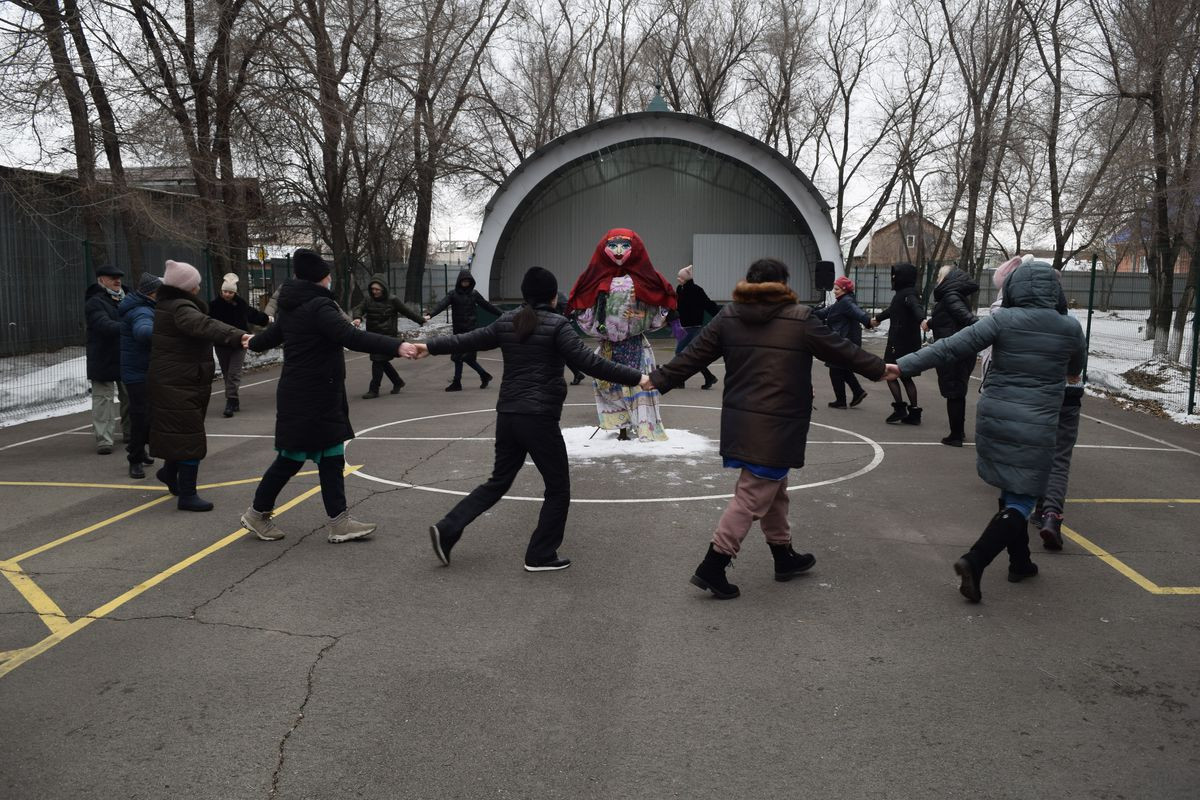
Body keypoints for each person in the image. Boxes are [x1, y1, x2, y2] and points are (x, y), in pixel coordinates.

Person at [647, 258, 886, 599]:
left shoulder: (729, 317)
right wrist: (882, 369)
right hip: (778, 423)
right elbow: (843, 350)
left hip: (743, 421)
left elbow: (694, 355)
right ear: (784, 284)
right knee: (752, 495)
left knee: (774, 489)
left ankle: (783, 555)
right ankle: (713, 566)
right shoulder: (800, 319)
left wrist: (657, 379)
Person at [404, 267, 646, 572]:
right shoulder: (558, 325)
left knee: (498, 481)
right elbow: (591, 363)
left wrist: (430, 346)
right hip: (538, 418)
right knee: (558, 488)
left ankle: (448, 528)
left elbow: (468, 339)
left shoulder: (508, 321)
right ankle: (541, 554)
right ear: (552, 297)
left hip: (509, 415)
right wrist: (638, 377)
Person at [889, 259, 1086, 603]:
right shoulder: (1069, 328)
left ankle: (1020, 563)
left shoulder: (1001, 320)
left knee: (1012, 486)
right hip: (1039, 419)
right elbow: (1075, 368)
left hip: (995, 415)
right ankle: (976, 560)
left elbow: (950, 346)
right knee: (1023, 499)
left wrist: (901, 365)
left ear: (1012, 288)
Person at [242, 250, 409, 543]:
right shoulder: (319, 307)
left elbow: (267, 339)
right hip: (310, 396)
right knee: (291, 459)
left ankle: (339, 522)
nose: (331, 279)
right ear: (320, 278)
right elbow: (352, 337)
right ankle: (257, 514)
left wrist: (252, 341)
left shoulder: (294, 306)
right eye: (327, 275)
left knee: (331, 457)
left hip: (312, 393)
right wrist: (398, 346)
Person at [149, 260, 250, 511]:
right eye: (195, 284)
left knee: (182, 433)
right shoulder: (181, 308)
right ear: (186, 287)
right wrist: (238, 335)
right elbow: (205, 325)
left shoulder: (169, 305)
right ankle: (188, 495)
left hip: (178, 378)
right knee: (191, 436)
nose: (198, 288)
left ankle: (169, 473)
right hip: (179, 381)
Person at [567, 228, 677, 441]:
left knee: (638, 386)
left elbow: (657, 305)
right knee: (610, 388)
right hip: (609, 346)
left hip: (634, 344)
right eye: (613, 246)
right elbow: (585, 307)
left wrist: (657, 313)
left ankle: (641, 426)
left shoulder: (644, 280)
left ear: (634, 249)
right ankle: (621, 428)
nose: (618, 251)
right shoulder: (596, 279)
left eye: (625, 246)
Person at [922, 265, 979, 445]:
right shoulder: (952, 296)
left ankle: (955, 435)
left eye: (939, 276)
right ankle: (958, 432)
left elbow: (967, 319)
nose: (937, 279)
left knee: (954, 392)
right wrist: (931, 323)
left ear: (948, 279)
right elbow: (949, 317)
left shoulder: (950, 296)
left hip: (954, 351)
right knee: (956, 391)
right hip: (957, 350)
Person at [118, 272, 163, 479]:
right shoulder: (141, 311)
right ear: (152, 292)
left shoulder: (145, 306)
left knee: (149, 415)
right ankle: (134, 459)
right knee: (140, 416)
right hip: (137, 373)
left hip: (144, 370)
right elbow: (143, 331)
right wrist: (162, 336)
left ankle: (140, 451)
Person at [424, 269, 500, 391]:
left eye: (468, 281)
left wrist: (501, 314)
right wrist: (430, 315)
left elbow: (487, 306)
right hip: (458, 331)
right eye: (463, 281)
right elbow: (442, 305)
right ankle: (478, 377)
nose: (465, 283)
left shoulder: (474, 294)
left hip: (471, 331)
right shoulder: (453, 294)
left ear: (471, 282)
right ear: (459, 281)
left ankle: (467, 380)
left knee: (464, 357)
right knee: (459, 357)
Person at [352, 274, 424, 398]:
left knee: (377, 361)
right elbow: (358, 309)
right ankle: (398, 382)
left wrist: (421, 320)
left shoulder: (393, 300)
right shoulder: (368, 300)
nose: (374, 292)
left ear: (383, 289)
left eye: (377, 289)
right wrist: (357, 318)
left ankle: (374, 390)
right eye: (373, 289)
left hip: (387, 336)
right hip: (373, 337)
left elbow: (407, 312)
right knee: (382, 361)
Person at [209, 272, 270, 417]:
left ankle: (231, 400)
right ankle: (233, 398)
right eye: (225, 291)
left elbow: (253, 315)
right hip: (221, 343)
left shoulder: (241, 304)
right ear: (221, 291)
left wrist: (266, 319)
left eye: (230, 292)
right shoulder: (214, 306)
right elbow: (206, 321)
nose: (227, 294)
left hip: (240, 342)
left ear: (234, 292)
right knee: (226, 372)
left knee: (234, 373)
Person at [85, 264, 131, 454]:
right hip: (102, 357)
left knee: (130, 396)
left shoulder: (129, 298)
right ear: (101, 280)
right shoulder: (94, 302)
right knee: (103, 400)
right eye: (112, 277)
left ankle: (132, 433)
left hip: (126, 355)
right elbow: (102, 324)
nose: (117, 280)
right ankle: (104, 440)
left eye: (119, 277)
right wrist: (128, 328)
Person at [872, 263, 925, 424]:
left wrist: (922, 319)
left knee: (890, 373)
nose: (893, 278)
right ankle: (913, 413)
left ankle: (901, 410)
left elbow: (915, 307)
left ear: (904, 277)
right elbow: (892, 310)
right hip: (904, 341)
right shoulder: (903, 294)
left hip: (901, 342)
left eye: (896, 275)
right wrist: (877, 319)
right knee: (905, 377)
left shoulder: (908, 294)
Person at [815, 275, 872, 408]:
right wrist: (808, 312)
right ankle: (858, 392)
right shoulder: (841, 301)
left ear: (845, 289)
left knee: (835, 369)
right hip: (844, 340)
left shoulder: (846, 302)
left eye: (837, 289)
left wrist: (868, 320)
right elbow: (825, 312)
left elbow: (857, 312)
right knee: (841, 369)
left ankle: (842, 400)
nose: (834, 291)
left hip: (844, 341)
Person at [674, 264, 722, 390]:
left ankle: (680, 380)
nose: (678, 279)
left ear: (686, 278)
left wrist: (721, 315)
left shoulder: (696, 290)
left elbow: (708, 304)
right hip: (683, 326)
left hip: (694, 327)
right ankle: (709, 377)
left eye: (680, 277)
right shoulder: (680, 289)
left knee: (680, 353)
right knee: (691, 354)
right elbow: (677, 306)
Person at [556, 291, 587, 385]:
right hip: (559, 325)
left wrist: (563, 321)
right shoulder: (552, 294)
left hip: (562, 326)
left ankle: (577, 373)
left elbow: (568, 308)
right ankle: (577, 373)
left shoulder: (558, 295)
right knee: (562, 353)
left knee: (564, 352)